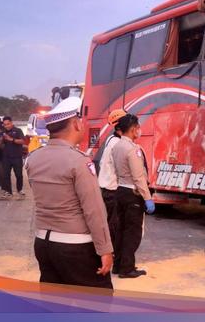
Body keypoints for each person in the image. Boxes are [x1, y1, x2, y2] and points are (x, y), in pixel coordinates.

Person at [25, 97, 113, 289]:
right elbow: (94, 211)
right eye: (79, 120)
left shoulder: (33, 158)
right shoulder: (79, 161)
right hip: (76, 247)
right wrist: (105, 249)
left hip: (43, 243)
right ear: (75, 123)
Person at [111, 114, 155, 279]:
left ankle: (118, 265)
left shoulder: (117, 146)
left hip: (120, 190)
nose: (139, 131)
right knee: (133, 233)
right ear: (133, 129)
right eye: (138, 128)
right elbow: (138, 177)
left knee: (121, 230)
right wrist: (147, 197)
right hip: (132, 194)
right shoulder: (133, 149)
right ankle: (127, 268)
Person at [98, 109, 127, 253]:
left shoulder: (112, 139)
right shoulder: (117, 144)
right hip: (112, 190)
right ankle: (111, 253)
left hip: (106, 188)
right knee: (114, 224)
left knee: (109, 222)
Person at [0, 117, 26, 198]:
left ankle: (20, 189)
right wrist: (1, 139)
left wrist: (11, 139)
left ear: (11, 123)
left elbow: (22, 141)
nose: (6, 126)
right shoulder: (3, 132)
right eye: (5, 125)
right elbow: (0, 145)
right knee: (6, 175)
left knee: (18, 174)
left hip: (17, 157)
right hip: (6, 157)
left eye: (8, 124)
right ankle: (8, 191)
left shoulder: (18, 130)